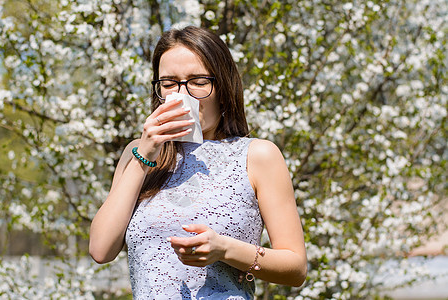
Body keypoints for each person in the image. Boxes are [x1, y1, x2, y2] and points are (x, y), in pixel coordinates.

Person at [89, 25, 307, 299]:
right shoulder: (138, 154)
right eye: (169, 83)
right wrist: (144, 157)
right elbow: (100, 249)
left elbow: (296, 267)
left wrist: (226, 249)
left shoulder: (258, 156)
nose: (183, 95)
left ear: (223, 87)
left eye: (198, 82)